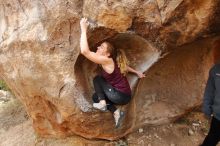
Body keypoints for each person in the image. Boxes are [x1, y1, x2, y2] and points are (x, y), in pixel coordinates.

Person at [80, 18, 145, 128]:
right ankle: (116, 112)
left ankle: (103, 104)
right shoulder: (113, 61)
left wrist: (83, 29)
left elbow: (84, 51)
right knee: (96, 97)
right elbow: (125, 67)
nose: (98, 47)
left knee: (98, 79)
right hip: (121, 95)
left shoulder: (107, 60)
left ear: (107, 54)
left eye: (101, 47)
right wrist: (137, 72)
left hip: (121, 95)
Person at [201, 39, 220, 146]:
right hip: (218, 116)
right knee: (211, 139)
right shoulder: (215, 70)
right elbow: (209, 91)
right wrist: (206, 109)